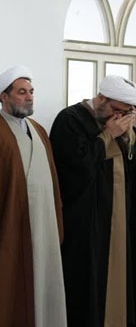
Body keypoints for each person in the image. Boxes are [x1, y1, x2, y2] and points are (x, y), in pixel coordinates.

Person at [0, 65, 66, 327]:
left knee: (42, 276)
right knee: (6, 282)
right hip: (9, 219)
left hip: (42, 220)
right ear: (4, 96)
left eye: (31, 92)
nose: (29, 97)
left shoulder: (38, 129)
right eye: (22, 92)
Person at [50, 75, 136, 327]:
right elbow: (75, 168)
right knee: (87, 283)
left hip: (118, 215)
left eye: (127, 113)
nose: (120, 118)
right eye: (118, 110)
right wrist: (108, 136)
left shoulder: (118, 121)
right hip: (85, 220)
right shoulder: (70, 119)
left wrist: (127, 136)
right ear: (102, 99)